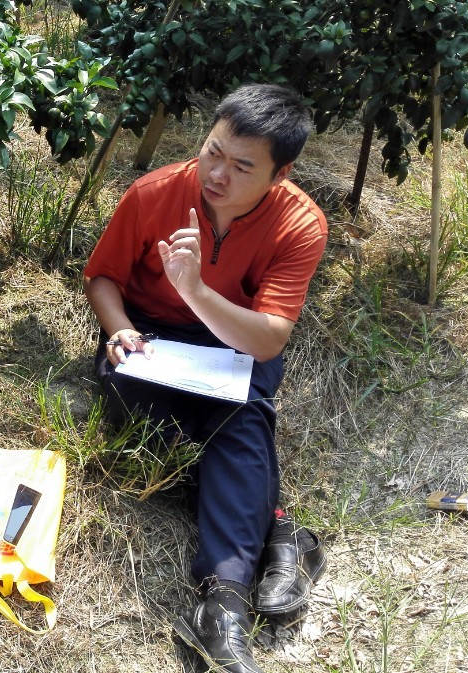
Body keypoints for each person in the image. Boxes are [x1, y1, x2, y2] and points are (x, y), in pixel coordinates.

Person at [83, 84, 327, 673]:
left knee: (241, 417)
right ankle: (280, 531)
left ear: (281, 173)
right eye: (213, 151)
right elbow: (102, 277)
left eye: (242, 166)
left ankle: (223, 604)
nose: (217, 174)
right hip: (152, 340)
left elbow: (267, 338)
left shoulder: (300, 224)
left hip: (235, 341)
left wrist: (194, 290)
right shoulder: (155, 192)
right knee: (154, 423)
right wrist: (120, 330)